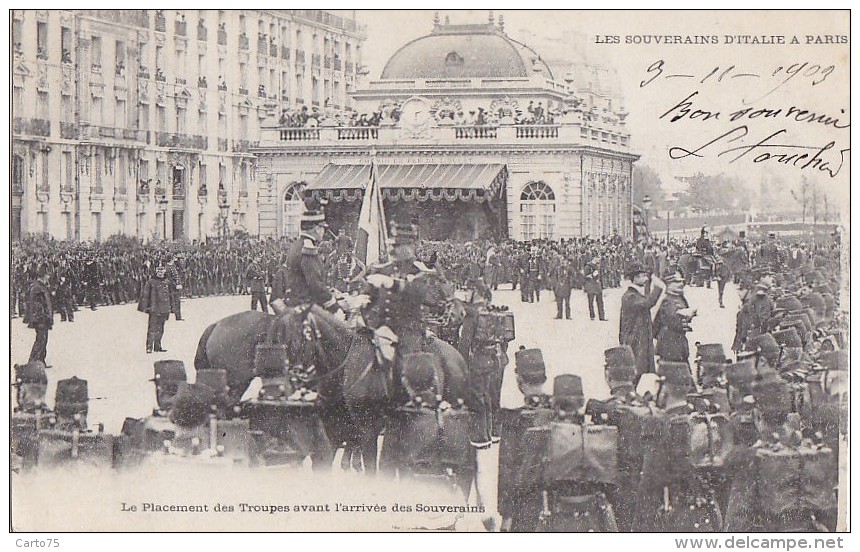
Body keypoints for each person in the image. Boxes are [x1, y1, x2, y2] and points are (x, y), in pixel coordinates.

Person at [280, 207, 342, 312]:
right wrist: (334, 305)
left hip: (295, 303)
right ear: (317, 228)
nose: (323, 232)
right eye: (323, 229)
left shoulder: (296, 244)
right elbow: (315, 284)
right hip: (307, 307)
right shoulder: (308, 248)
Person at [619, 264, 664, 383]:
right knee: (635, 371)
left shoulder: (634, 294)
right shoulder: (630, 296)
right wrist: (658, 288)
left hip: (638, 337)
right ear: (634, 278)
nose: (645, 279)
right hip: (634, 338)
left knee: (638, 370)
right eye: (642, 276)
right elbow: (648, 303)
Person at [653, 267, 696, 365]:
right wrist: (685, 316)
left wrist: (689, 316)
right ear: (669, 285)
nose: (681, 284)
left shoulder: (679, 297)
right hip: (670, 340)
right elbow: (670, 320)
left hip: (678, 339)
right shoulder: (668, 300)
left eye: (681, 281)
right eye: (677, 282)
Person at [138, 264, 172, 353]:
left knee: (161, 328)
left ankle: (158, 346)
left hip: (164, 309)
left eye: (162, 271)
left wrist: (171, 308)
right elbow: (145, 295)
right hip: (154, 308)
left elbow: (170, 295)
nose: (161, 273)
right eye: (159, 271)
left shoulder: (167, 282)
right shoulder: (151, 282)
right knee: (152, 328)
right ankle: (149, 347)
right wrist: (145, 307)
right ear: (156, 272)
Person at [24, 268, 53, 364]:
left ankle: (40, 361)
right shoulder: (37, 287)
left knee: (44, 340)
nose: (49, 277)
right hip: (40, 318)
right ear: (43, 276)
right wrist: (42, 315)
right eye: (47, 275)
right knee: (40, 340)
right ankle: (33, 362)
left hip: (43, 318)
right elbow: (35, 305)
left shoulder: (41, 286)